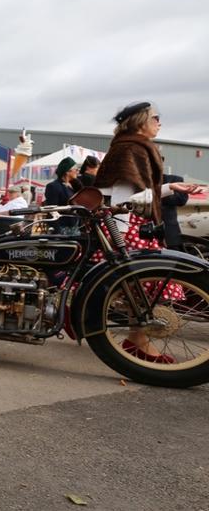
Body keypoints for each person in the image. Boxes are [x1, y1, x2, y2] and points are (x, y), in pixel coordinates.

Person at [93, 102, 203, 363]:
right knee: (138, 285)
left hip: (129, 224)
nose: (159, 122)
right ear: (141, 121)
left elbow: (136, 192)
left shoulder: (131, 146)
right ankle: (136, 340)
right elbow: (122, 195)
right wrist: (117, 233)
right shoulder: (131, 147)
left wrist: (170, 187)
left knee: (138, 288)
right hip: (126, 225)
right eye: (156, 117)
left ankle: (136, 339)